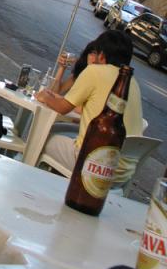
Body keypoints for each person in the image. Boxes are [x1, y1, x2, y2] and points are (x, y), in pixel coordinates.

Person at [36, 30, 143, 180]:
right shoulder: (133, 83)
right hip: (122, 174)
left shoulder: (94, 71)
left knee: (40, 136)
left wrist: (44, 96)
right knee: (61, 131)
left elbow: (62, 108)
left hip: (93, 164)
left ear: (101, 55)